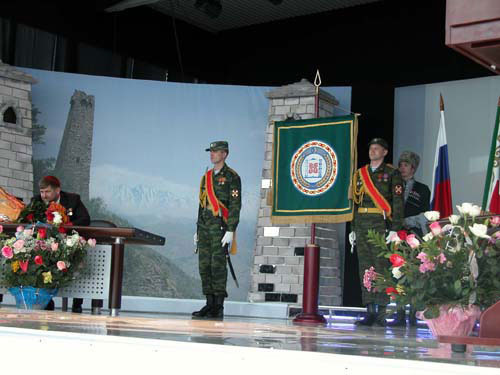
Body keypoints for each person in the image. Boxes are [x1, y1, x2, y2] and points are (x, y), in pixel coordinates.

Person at [350, 138, 404, 326]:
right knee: (365, 268)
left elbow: (397, 202)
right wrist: (353, 228)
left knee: (381, 268)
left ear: (385, 152)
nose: (372, 151)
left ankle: (381, 312)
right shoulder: (360, 174)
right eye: (371, 148)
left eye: (377, 149)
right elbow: (355, 204)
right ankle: (369, 310)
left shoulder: (391, 173)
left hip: (380, 225)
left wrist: (396, 228)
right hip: (362, 223)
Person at [192, 141, 241, 319]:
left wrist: (231, 230)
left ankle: (218, 306)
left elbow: (235, 206)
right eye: (211, 151)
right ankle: (209, 303)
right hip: (205, 227)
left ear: (225, 154)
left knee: (218, 266)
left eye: (216, 151)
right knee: (204, 265)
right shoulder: (206, 177)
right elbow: (202, 204)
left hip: (220, 228)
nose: (212, 154)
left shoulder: (232, 177)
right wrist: (197, 228)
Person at [30, 175, 91, 313]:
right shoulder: (36, 201)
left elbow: (85, 219)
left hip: (68, 243)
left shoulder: (73, 200)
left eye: (47, 192)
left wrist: (67, 225)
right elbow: (27, 218)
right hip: (46, 244)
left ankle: (77, 304)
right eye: (42, 192)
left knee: (76, 265)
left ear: (57, 190)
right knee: (39, 263)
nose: (44, 195)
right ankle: (46, 301)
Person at [388, 151, 431, 327]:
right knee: (397, 274)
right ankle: (399, 314)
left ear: (413, 168)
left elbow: (424, 215)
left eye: (405, 165)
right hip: (396, 236)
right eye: (400, 164)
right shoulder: (393, 187)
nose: (402, 168)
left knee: (413, 274)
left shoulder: (422, 189)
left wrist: (406, 221)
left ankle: (413, 314)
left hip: (414, 235)